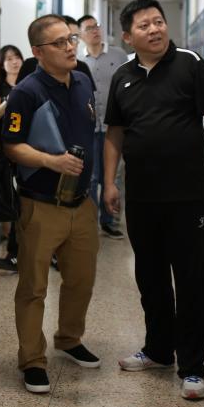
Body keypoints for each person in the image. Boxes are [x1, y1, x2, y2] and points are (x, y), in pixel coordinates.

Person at [103, 0, 204, 401]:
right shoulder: (123, 77)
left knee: (191, 279)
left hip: (187, 195)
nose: (155, 29)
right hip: (142, 196)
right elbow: (115, 133)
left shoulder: (190, 64)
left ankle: (193, 367)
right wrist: (109, 183)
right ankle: (159, 350)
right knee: (150, 278)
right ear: (128, 36)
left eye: (158, 21)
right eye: (144, 25)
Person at [2, 14, 102, 394]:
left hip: (82, 202)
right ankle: (32, 359)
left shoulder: (83, 81)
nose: (70, 47)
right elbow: (11, 147)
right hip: (41, 205)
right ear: (39, 52)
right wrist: (51, 161)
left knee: (81, 279)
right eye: (59, 43)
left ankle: (69, 338)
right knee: (33, 286)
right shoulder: (26, 92)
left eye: (71, 39)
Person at [78, 14, 127, 239]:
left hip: (114, 127)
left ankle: (109, 221)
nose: (95, 30)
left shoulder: (118, 55)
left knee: (113, 176)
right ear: (81, 35)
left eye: (96, 26)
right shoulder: (79, 61)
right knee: (92, 177)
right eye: (89, 28)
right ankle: (91, 222)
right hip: (88, 128)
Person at [0, 45, 24, 273]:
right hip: (3, 147)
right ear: (2, 65)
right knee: (9, 195)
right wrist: (13, 97)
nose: (14, 62)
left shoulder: (30, 81)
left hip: (26, 145)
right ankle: (12, 245)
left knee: (24, 197)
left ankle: (17, 250)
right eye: (8, 59)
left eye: (17, 57)